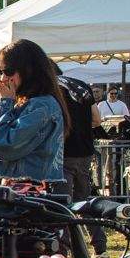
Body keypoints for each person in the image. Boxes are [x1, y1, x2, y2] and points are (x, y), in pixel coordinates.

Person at [0, 41, 68, 197]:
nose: (1, 78)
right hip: (20, 195)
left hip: (31, 197)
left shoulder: (41, 106)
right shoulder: (28, 104)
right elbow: (11, 160)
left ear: (29, 70)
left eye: (8, 71)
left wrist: (4, 103)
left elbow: (3, 148)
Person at [55, 72, 98, 200]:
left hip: (64, 151)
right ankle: (85, 218)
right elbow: (97, 119)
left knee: (63, 202)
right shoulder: (81, 85)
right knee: (83, 201)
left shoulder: (49, 87)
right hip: (85, 148)